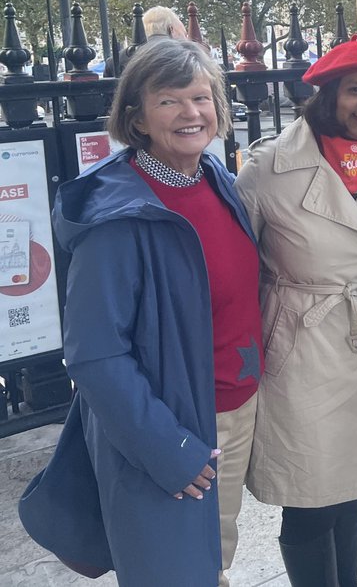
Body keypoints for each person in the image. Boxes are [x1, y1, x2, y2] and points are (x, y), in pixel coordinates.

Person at [22, 38, 258, 586]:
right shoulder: (121, 214)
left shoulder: (215, 179)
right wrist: (169, 448)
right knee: (172, 571)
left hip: (233, 408)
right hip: (173, 426)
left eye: (201, 97)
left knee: (212, 558)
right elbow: (95, 355)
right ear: (137, 116)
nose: (191, 113)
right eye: (169, 100)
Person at [235, 38, 357, 587]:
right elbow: (238, 265)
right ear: (328, 93)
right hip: (303, 342)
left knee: (354, 485)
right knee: (310, 496)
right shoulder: (269, 167)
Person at [104, 5, 187, 76]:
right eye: (184, 33)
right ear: (171, 29)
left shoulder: (114, 61)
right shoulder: (182, 56)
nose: (187, 38)